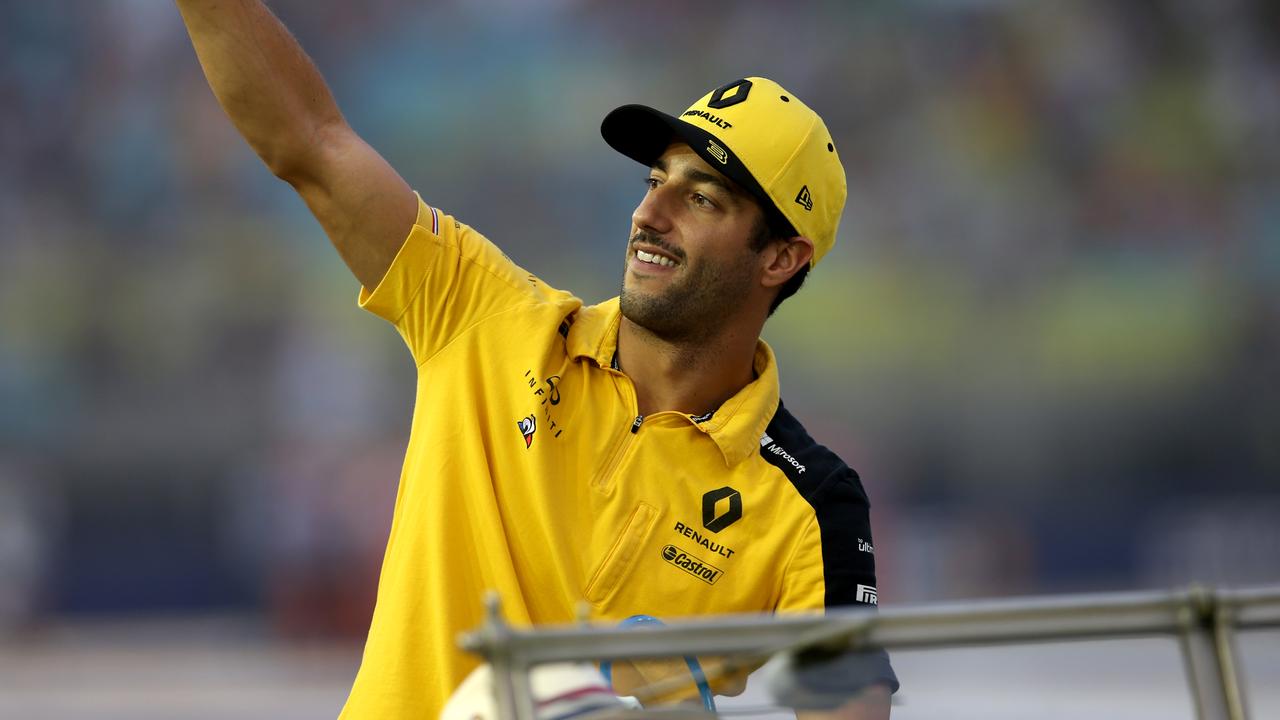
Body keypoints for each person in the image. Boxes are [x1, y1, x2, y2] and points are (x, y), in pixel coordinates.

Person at [175, 1, 897, 718]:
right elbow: (310, 142)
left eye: (701, 198)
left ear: (781, 256)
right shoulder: (485, 316)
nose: (650, 214)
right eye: (655, 181)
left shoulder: (815, 503)